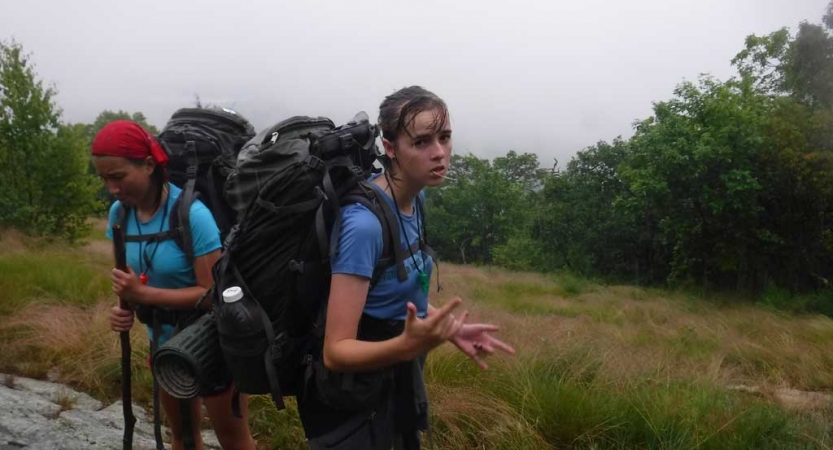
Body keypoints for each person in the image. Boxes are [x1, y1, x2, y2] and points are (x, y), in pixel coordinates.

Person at [298, 86, 516, 449]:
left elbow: (393, 291)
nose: (439, 153)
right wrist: (405, 345)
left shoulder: (416, 198)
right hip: (349, 406)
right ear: (390, 148)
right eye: (422, 142)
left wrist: (449, 329)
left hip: (391, 387)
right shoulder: (363, 226)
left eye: (445, 138)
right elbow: (335, 352)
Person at [91, 121, 255, 450]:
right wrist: (125, 308)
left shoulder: (192, 215)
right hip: (165, 346)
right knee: (183, 437)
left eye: (119, 176)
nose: (112, 187)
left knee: (234, 441)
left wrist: (142, 294)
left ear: (149, 165)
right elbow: (130, 280)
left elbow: (212, 296)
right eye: (104, 178)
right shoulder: (119, 215)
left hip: (213, 345)